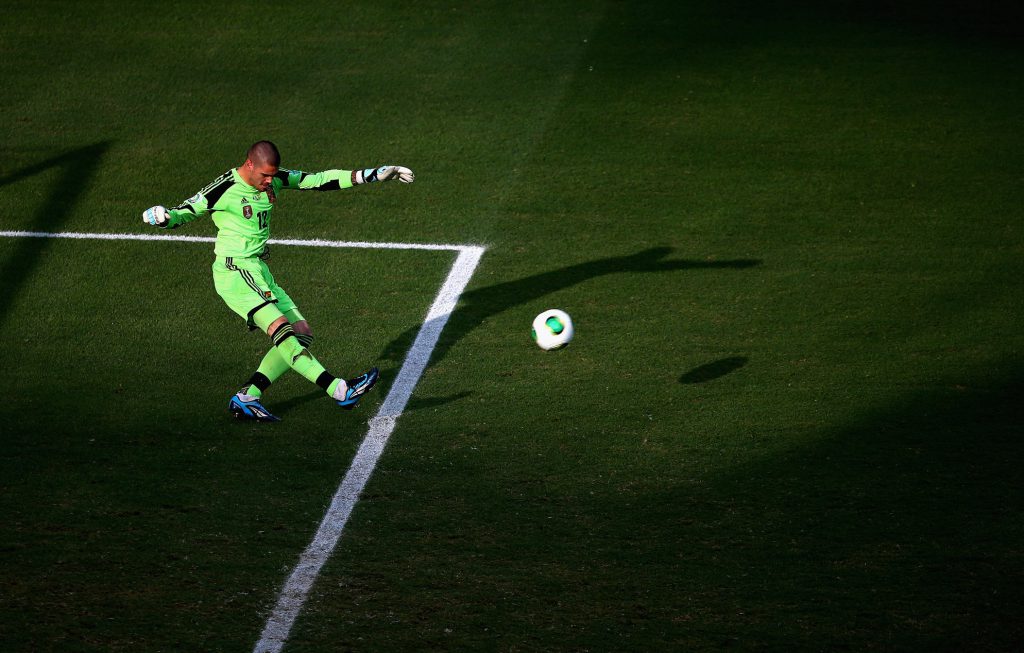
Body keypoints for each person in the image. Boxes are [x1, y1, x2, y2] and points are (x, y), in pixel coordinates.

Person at [142, 140, 414, 422]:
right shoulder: (224, 189)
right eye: (265, 176)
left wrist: (371, 174)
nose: (270, 181)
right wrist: (164, 218)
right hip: (235, 271)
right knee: (281, 329)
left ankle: (247, 398)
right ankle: (339, 390)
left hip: (258, 270)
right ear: (250, 165)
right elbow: (186, 211)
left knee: (302, 332)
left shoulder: (272, 178)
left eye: (273, 175)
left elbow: (318, 180)